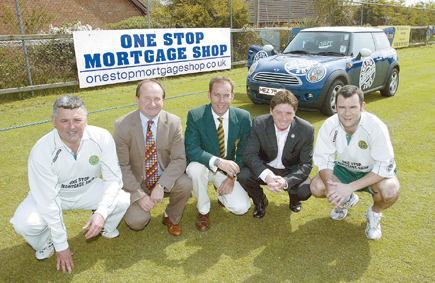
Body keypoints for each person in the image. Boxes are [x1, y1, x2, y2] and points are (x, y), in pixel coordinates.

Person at [10, 95, 130, 274]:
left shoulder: (101, 137)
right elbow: (48, 201)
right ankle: (45, 243)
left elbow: (114, 180)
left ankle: (104, 226)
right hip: (55, 195)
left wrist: (101, 212)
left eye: (77, 120)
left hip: (89, 188)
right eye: (64, 121)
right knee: (24, 223)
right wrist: (61, 244)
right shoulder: (41, 151)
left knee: (122, 199)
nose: (72, 127)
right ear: (53, 121)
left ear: (86, 119)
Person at [310, 85, 400, 240]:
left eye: (352, 107)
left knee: (390, 191)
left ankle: (374, 212)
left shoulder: (376, 126)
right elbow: (324, 160)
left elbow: (384, 166)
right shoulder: (329, 125)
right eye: (342, 107)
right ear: (335, 106)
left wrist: (350, 187)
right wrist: (333, 189)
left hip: (372, 173)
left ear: (362, 106)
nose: (347, 113)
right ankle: (347, 200)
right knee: (317, 187)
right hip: (344, 170)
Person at [113, 79, 192, 236]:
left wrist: (161, 185)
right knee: (137, 222)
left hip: (162, 178)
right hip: (137, 183)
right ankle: (127, 205)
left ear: (163, 100)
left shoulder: (173, 122)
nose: (152, 103)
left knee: (185, 183)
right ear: (137, 100)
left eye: (157, 98)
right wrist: (138, 195)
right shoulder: (122, 125)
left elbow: (179, 160)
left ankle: (171, 217)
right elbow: (121, 166)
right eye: (147, 98)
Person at [185, 75, 251, 231]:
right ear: (209, 95)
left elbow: (243, 152)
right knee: (194, 169)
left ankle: (221, 192)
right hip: (203, 167)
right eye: (216, 95)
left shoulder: (243, 117)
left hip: (226, 170)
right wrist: (217, 161)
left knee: (242, 208)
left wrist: (231, 177)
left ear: (232, 96)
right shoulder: (195, 115)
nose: (221, 100)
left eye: (226, 95)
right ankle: (203, 210)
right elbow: (191, 148)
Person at [238, 89, 314, 218]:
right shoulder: (259, 123)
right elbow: (249, 155)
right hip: (266, 167)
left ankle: (294, 199)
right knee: (243, 175)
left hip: (290, 170)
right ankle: (260, 200)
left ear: (294, 113)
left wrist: (286, 181)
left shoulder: (306, 129)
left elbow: (306, 164)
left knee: (305, 189)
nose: (283, 118)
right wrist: (267, 175)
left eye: (288, 113)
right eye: (278, 112)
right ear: (271, 111)